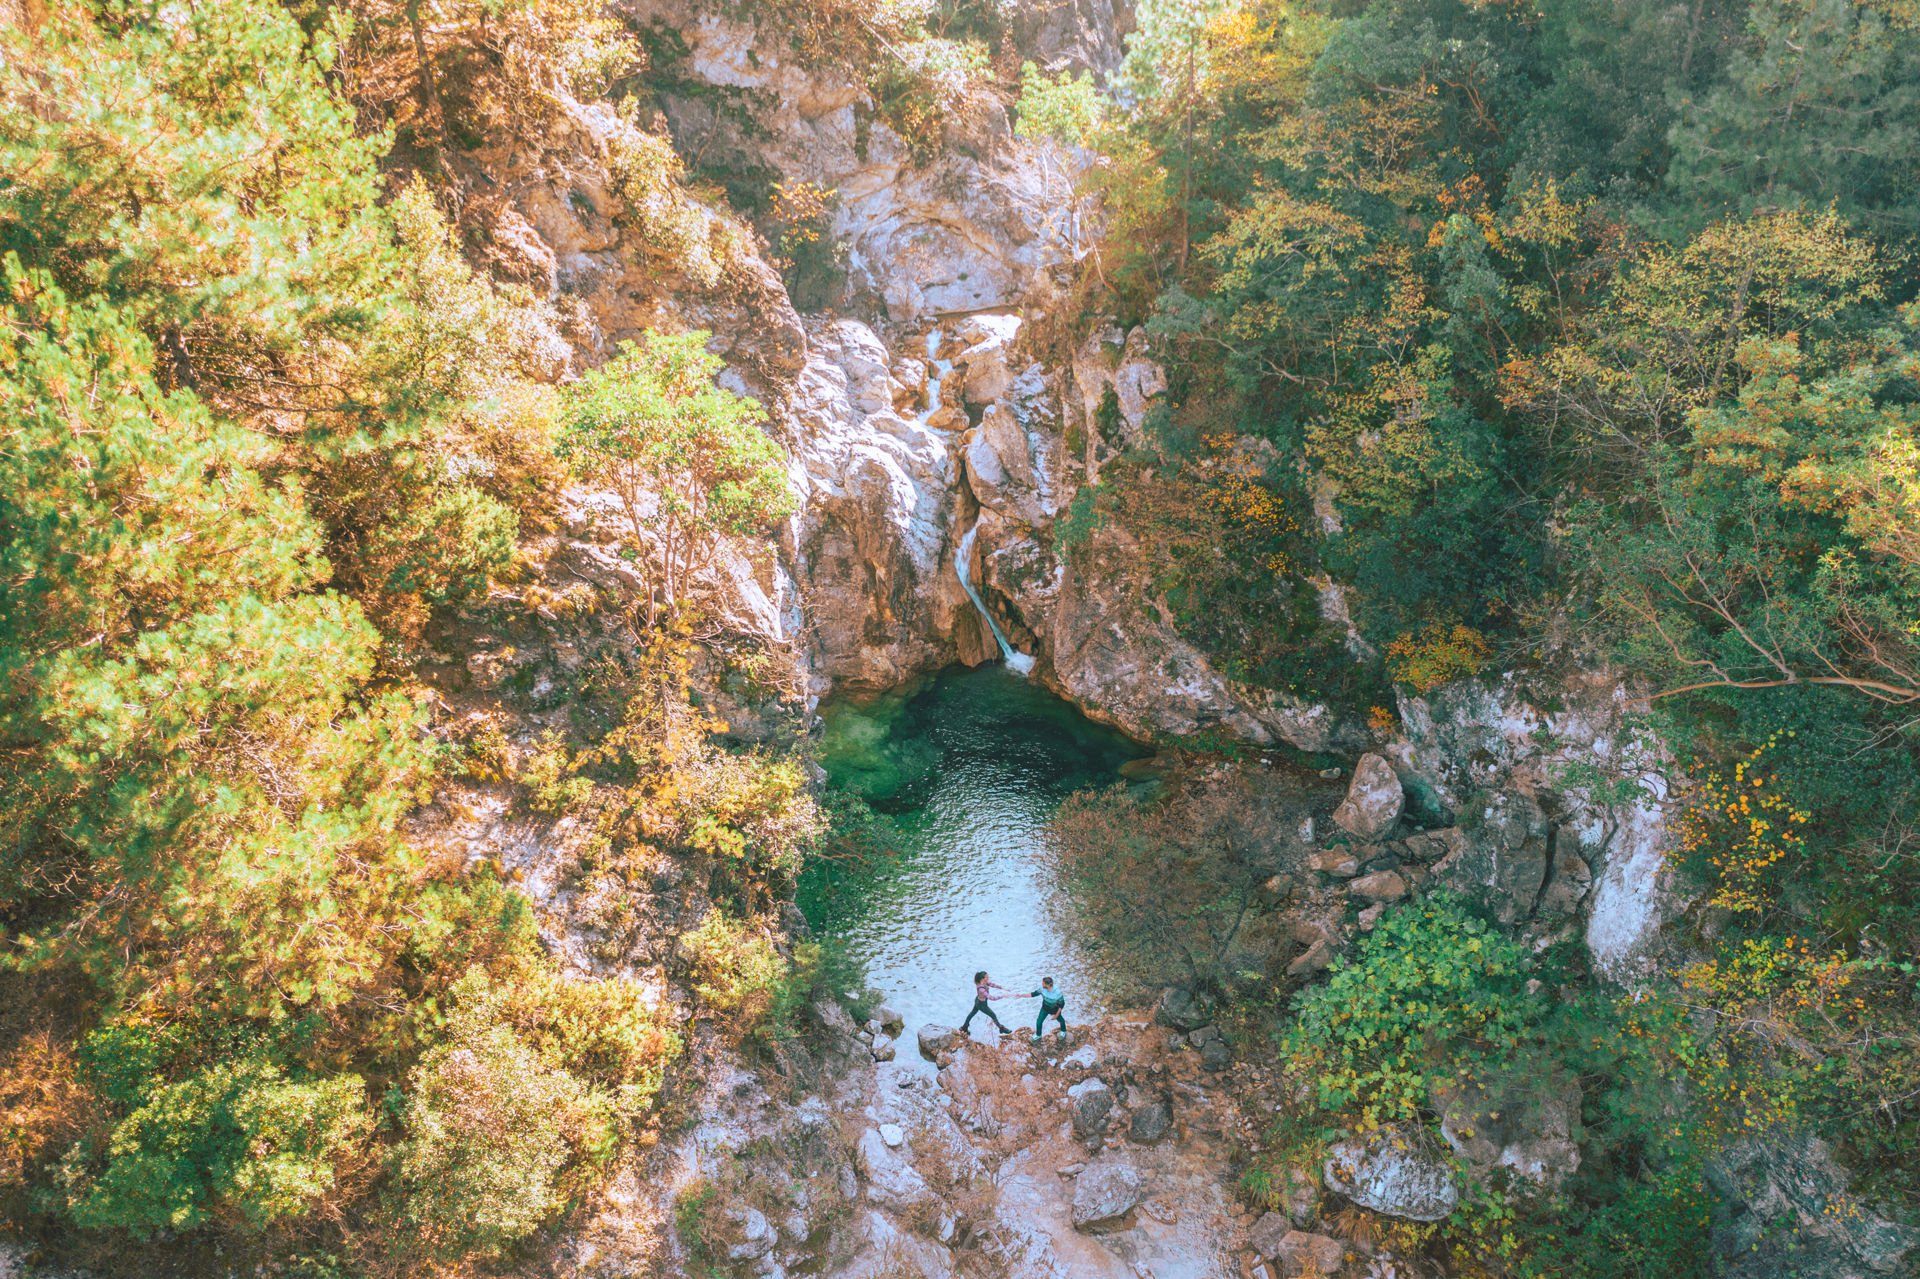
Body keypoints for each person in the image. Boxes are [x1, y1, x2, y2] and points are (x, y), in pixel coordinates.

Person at [960, 970, 1016, 1035]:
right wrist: (1003, 996)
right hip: (982, 1005)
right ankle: (1001, 1028)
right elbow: (992, 998)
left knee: (972, 1013)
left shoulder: (983, 983)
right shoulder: (981, 989)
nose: (988, 978)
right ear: (982, 979)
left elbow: (992, 984)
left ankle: (964, 1027)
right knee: (993, 1015)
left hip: (977, 1000)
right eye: (987, 977)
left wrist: (1003, 988)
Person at [1031, 976, 1066, 1041]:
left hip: (1054, 1009)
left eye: (1043, 983)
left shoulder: (1057, 992)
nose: (1042, 984)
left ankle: (1063, 1031)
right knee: (1039, 1021)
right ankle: (1038, 1035)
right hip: (1045, 1008)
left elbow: (1062, 1004)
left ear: (1047, 985)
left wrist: (1056, 1015)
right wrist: (1021, 995)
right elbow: (1034, 994)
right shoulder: (1042, 989)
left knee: (1060, 1020)